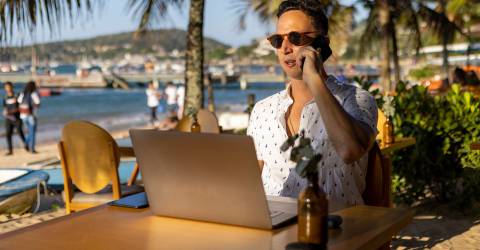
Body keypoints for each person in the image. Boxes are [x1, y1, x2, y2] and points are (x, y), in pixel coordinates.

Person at [247, 0, 378, 205]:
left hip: (336, 227)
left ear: (321, 44)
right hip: (274, 226)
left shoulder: (356, 100)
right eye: (277, 41)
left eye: (295, 37)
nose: (285, 48)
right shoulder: (262, 111)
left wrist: (314, 78)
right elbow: (247, 183)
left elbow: (349, 150)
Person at [2, 82, 28, 155]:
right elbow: (4, 107)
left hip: (17, 118)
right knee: (8, 134)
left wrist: (12, 112)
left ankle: (26, 145)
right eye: (6, 87)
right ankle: (10, 150)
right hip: (9, 118)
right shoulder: (5, 97)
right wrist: (5, 112)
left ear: (12, 87)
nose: (8, 88)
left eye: (9, 87)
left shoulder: (17, 95)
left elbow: (21, 107)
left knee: (20, 132)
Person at [18, 81, 41, 154]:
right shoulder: (33, 93)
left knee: (30, 131)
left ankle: (26, 143)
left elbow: (18, 101)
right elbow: (38, 103)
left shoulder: (23, 93)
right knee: (32, 132)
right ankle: (32, 149)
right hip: (31, 115)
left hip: (23, 115)